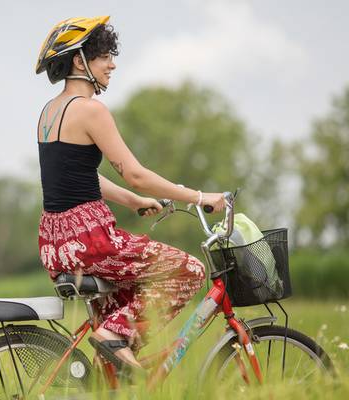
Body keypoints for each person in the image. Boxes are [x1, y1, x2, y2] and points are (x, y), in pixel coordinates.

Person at [34, 16, 226, 369]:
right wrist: (200, 197)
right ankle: (114, 333)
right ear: (80, 61)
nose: (113, 63)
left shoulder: (49, 112)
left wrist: (135, 201)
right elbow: (136, 174)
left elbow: (80, 175)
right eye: (104, 56)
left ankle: (113, 365)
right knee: (188, 270)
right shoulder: (91, 110)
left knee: (120, 329)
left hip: (57, 244)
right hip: (92, 241)